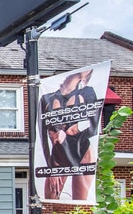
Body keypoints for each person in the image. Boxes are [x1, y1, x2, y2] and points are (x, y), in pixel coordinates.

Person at [40, 69, 101, 201]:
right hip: (59, 154)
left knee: (80, 203)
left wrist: (72, 130)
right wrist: (51, 169)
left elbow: (94, 126)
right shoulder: (46, 97)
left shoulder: (87, 92)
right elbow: (42, 137)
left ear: (85, 76)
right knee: (50, 200)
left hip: (82, 152)